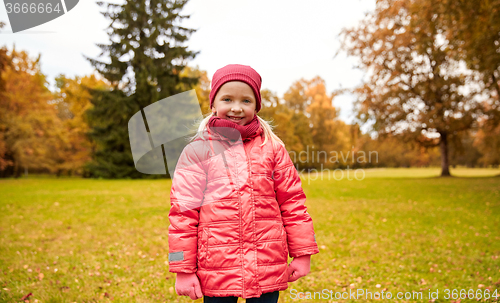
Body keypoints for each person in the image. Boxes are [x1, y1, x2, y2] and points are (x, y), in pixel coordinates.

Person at [168, 64, 319, 303]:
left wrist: (303, 254)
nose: (236, 108)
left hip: (266, 264)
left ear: (256, 106)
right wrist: (182, 269)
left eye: (246, 101)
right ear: (213, 103)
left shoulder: (273, 148)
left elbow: (293, 204)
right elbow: (182, 214)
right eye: (227, 99)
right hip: (216, 266)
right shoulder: (197, 151)